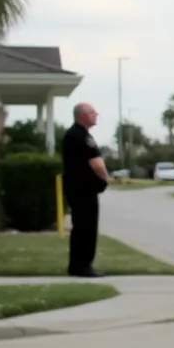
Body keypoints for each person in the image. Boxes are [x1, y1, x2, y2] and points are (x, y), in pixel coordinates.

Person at [61, 103, 110, 277]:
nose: (96, 115)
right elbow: (96, 162)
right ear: (82, 115)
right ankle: (83, 266)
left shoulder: (72, 135)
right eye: (92, 113)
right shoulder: (82, 136)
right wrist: (106, 178)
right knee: (87, 228)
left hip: (76, 188)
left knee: (80, 227)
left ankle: (76, 265)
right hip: (84, 190)